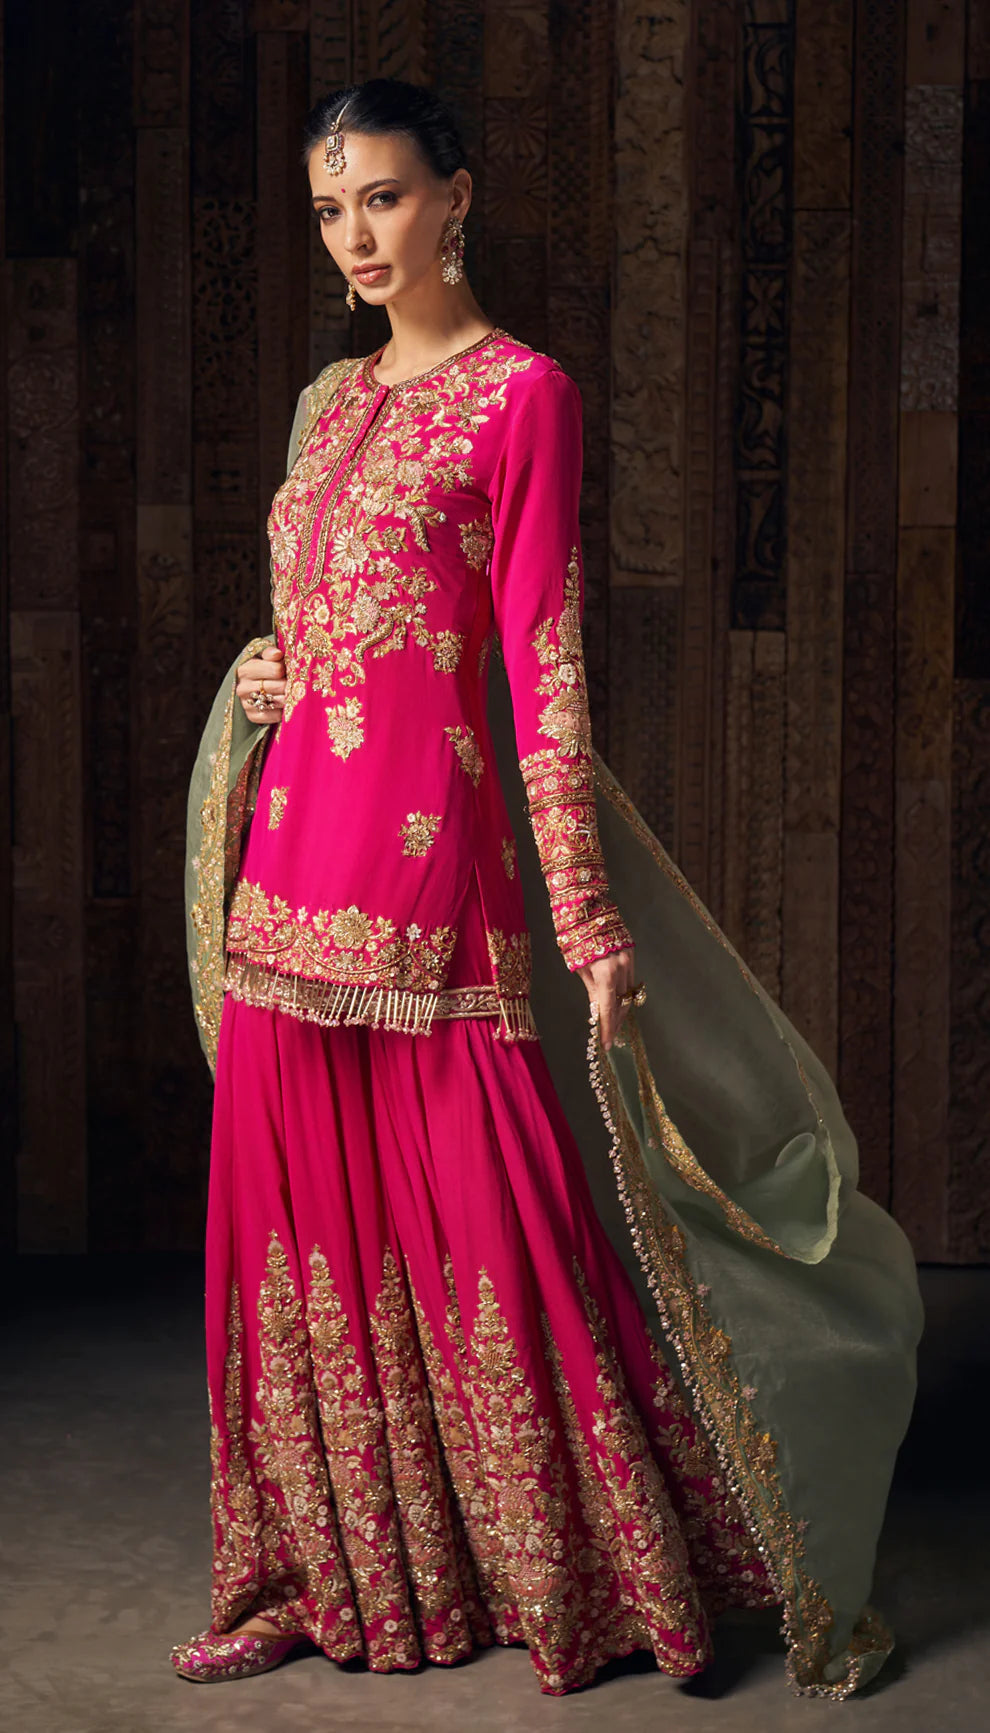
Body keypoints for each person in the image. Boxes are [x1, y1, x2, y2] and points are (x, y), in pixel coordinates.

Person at [175, 78, 923, 1699]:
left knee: (490, 1243)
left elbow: (541, 666)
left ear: (456, 195)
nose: (352, 237)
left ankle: (568, 1576)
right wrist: (259, 677)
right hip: (282, 878)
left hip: (432, 891)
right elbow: (313, 639)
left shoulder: (523, 397)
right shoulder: (322, 405)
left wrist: (582, 924)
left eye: (378, 197)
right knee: (290, 1252)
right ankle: (331, 1573)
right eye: (326, 209)